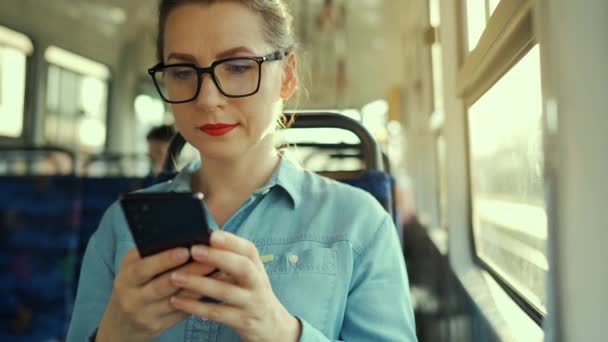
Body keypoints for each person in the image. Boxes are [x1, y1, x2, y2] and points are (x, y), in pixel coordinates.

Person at [67, 1, 417, 341]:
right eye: (183, 72)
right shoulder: (120, 226)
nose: (206, 99)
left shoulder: (360, 225)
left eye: (237, 66)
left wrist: (283, 333)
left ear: (288, 76)